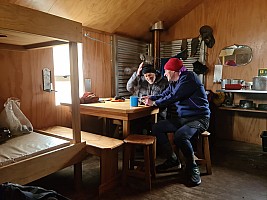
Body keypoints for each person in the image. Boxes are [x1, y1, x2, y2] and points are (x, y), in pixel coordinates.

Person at [144, 58, 210, 186]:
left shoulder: (189, 78)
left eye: (166, 71)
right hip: (183, 119)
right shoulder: (174, 81)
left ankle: (193, 168)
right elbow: (165, 93)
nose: (164, 74)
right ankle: (172, 159)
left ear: (174, 71)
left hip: (199, 118)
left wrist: (155, 103)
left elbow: (175, 96)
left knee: (180, 136)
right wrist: (151, 97)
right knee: (157, 127)